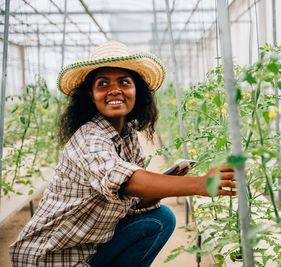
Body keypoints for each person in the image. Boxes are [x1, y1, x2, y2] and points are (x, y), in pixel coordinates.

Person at [9, 41, 236, 267]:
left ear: (136, 90)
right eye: (103, 84)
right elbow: (123, 181)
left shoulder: (127, 136)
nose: (115, 90)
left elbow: (132, 202)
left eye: (124, 82)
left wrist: (170, 183)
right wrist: (199, 185)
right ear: (91, 94)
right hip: (50, 257)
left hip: (88, 249)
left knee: (161, 219)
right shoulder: (90, 136)